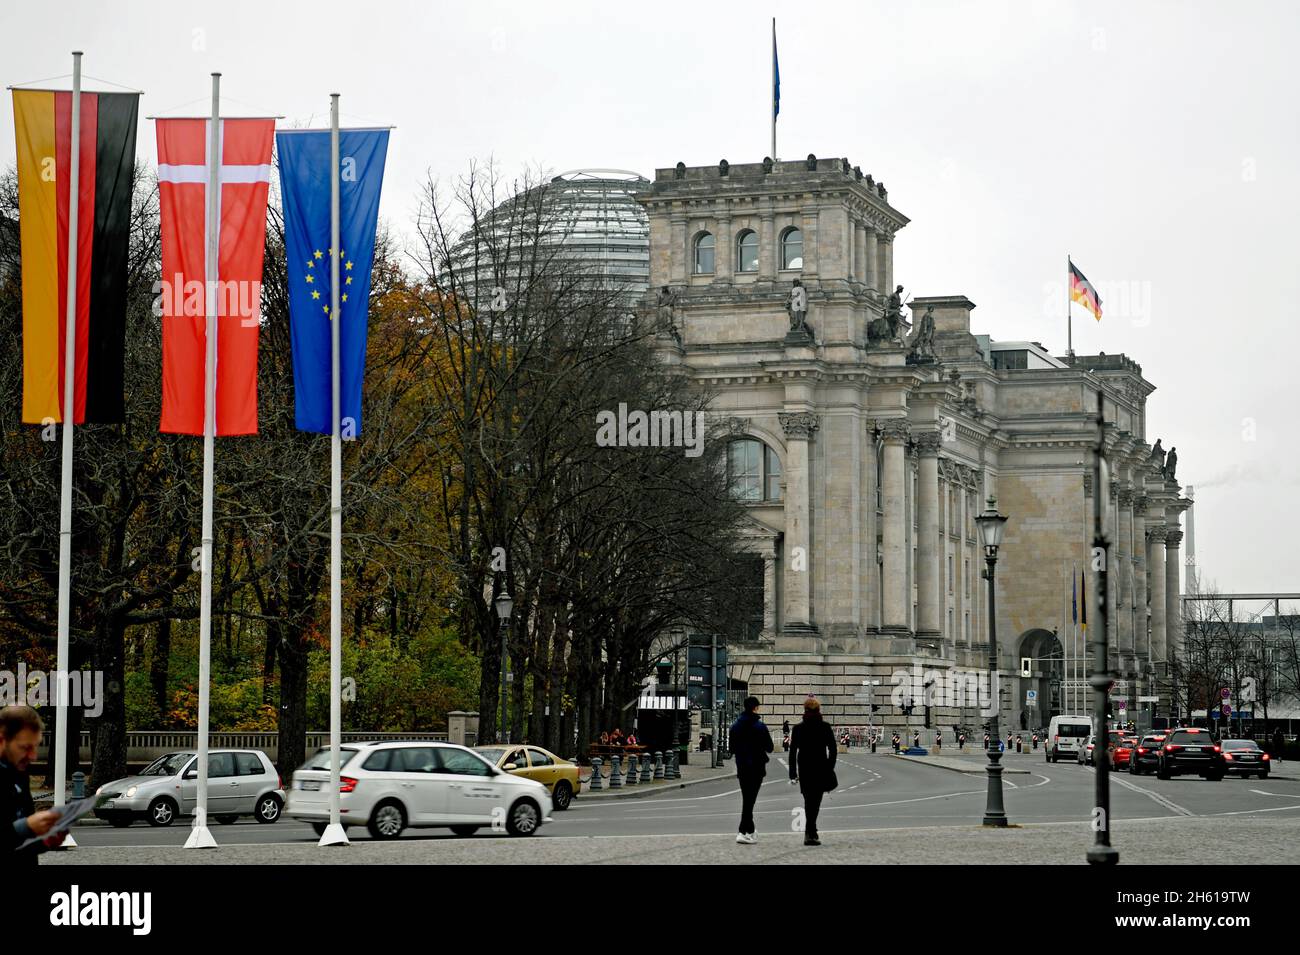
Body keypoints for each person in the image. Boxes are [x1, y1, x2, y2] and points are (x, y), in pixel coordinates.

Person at [2, 705, 67, 864]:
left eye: (36, 746)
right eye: (26, 747)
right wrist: (26, 827)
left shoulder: (19, 771)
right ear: (2, 739)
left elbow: (20, 845)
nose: (33, 756)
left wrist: (45, 839)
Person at [789, 697, 837, 846]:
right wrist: (830, 766)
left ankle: (810, 832)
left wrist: (792, 773)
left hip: (804, 768)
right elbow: (833, 749)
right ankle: (811, 832)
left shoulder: (798, 728)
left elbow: (792, 752)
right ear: (818, 710)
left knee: (808, 800)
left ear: (805, 710)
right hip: (821, 767)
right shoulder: (825, 727)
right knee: (815, 801)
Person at [729, 696, 774, 845]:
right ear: (755, 708)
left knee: (748, 799)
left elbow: (731, 749)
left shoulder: (735, 726)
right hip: (757, 767)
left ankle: (751, 829)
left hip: (742, 766)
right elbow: (770, 747)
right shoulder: (760, 726)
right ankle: (742, 832)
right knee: (750, 800)